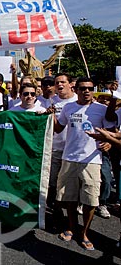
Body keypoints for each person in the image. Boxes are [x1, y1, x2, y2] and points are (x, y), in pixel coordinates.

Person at [54, 77, 116, 251]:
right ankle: (72, 227)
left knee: (90, 201)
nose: (86, 91)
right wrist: (51, 114)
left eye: (90, 88)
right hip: (69, 158)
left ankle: (84, 232)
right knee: (70, 198)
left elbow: (112, 132)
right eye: (83, 88)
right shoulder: (68, 107)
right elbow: (59, 128)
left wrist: (109, 143)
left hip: (92, 160)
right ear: (77, 89)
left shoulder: (101, 109)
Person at [46, 73, 78, 227]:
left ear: (71, 84)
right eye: (57, 82)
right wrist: (49, 114)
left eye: (63, 82)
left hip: (74, 151)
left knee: (72, 185)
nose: (59, 85)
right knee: (54, 183)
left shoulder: (78, 101)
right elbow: (56, 128)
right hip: (56, 149)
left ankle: (72, 216)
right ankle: (56, 210)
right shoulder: (51, 101)